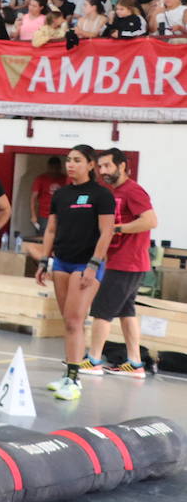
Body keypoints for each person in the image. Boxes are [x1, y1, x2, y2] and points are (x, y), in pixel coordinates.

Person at [34, 145, 115, 402]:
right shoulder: (62, 195)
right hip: (61, 262)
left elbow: (107, 232)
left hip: (85, 264)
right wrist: (43, 262)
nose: (70, 164)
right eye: (69, 160)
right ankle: (68, 374)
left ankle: (74, 379)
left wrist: (93, 264)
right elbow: (50, 230)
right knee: (67, 322)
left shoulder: (102, 195)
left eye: (77, 160)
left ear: (91, 165)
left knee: (74, 320)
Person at [83, 149, 156, 378]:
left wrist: (116, 229)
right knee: (127, 312)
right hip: (126, 262)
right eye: (100, 167)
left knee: (102, 311)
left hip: (127, 262)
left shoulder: (133, 191)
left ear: (122, 166)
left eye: (107, 166)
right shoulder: (116, 192)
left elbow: (150, 220)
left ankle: (93, 360)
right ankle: (135, 364)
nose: (103, 171)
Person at [29, 155, 66, 236]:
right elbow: (33, 198)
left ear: (60, 168)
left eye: (57, 169)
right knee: (43, 237)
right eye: (52, 168)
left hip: (61, 216)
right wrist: (33, 215)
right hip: (44, 216)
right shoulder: (41, 179)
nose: (54, 171)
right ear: (48, 167)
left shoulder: (65, 179)